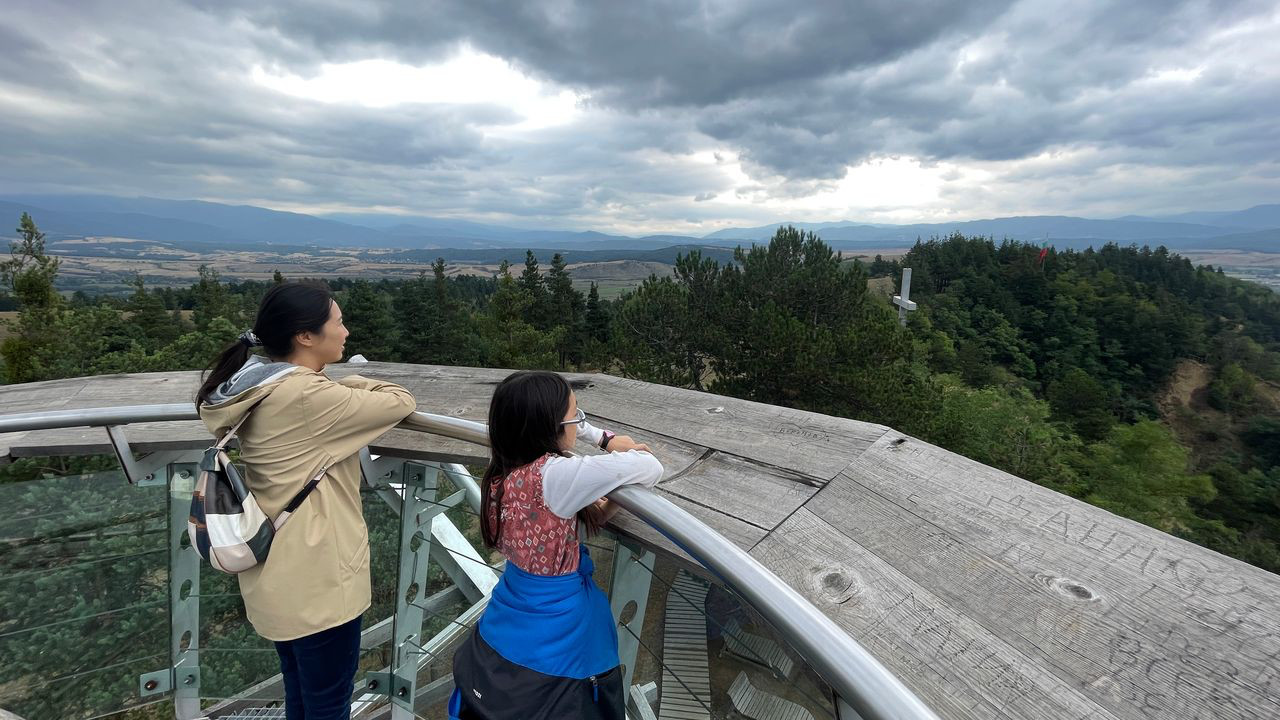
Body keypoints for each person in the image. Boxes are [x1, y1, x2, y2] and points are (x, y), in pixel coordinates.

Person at [197, 282, 424, 720]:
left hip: (276, 571)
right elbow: (400, 401)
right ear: (305, 336)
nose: (346, 331)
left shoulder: (253, 383)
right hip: (319, 577)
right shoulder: (306, 395)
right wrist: (352, 379)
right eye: (337, 322)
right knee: (328, 703)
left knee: (302, 692)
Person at [449, 370, 663, 720]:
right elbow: (650, 466)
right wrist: (606, 440)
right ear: (549, 426)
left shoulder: (504, 468)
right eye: (576, 416)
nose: (580, 424)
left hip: (515, 602)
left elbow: (549, 526)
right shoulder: (556, 475)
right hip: (562, 620)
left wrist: (589, 440)